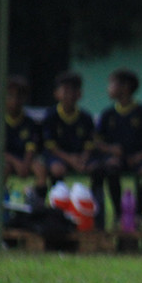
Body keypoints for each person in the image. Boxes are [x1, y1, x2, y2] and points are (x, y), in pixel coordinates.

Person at [91, 68, 142, 230]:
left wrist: (140, 156)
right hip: (116, 159)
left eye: (112, 84)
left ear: (125, 87)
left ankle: (140, 214)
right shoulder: (108, 114)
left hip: (138, 158)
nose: (109, 89)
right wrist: (110, 149)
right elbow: (97, 141)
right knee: (111, 167)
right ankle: (118, 214)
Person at [0, 75, 38, 225]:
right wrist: (16, 162)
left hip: (23, 159)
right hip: (3, 158)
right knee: (3, 168)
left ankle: (38, 210)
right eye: (10, 95)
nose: (15, 100)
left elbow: (31, 147)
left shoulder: (28, 121)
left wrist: (25, 163)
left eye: (19, 96)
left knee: (41, 169)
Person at [35, 71, 97, 205]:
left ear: (80, 94)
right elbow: (50, 146)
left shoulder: (85, 117)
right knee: (57, 169)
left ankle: (95, 207)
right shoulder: (50, 116)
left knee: (97, 168)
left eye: (74, 90)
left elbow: (89, 143)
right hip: (57, 156)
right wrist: (70, 159)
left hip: (80, 156)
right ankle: (57, 205)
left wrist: (83, 158)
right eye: (65, 90)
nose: (70, 95)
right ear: (56, 94)